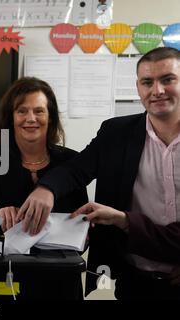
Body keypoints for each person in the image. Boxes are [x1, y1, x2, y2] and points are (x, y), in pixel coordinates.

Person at [19, 47, 180, 299]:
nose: (157, 90)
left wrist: (124, 220)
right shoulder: (117, 133)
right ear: (138, 88)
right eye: (147, 82)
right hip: (134, 280)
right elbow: (76, 169)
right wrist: (46, 189)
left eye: (168, 80)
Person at [0, 77, 88, 231]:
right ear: (11, 117)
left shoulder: (71, 162)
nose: (30, 119)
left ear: (50, 117)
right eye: (22, 111)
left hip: (59, 255)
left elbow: (81, 229)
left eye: (39, 111)